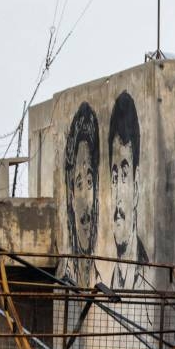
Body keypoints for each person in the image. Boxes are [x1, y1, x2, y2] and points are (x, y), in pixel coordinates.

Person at [107, 91, 151, 291]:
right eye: (114, 177)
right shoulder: (110, 281)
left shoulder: (148, 280)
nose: (118, 196)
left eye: (124, 174)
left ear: (136, 185)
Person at [63, 102, 99, 288]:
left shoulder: (101, 278)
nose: (85, 204)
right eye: (79, 184)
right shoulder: (65, 277)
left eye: (90, 182)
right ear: (70, 196)